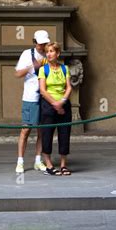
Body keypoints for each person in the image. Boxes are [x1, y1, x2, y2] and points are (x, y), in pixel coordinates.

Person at [14, 30, 50, 174]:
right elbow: (17, 73)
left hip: (45, 97)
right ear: (35, 42)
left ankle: (37, 160)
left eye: (45, 43)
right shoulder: (27, 54)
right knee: (26, 130)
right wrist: (32, 67)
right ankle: (20, 162)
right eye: (41, 44)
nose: (43, 46)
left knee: (42, 130)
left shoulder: (50, 53)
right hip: (30, 97)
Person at [38, 41, 73, 176]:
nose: (49, 54)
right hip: (48, 105)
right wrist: (55, 103)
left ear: (58, 53)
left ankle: (64, 164)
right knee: (47, 134)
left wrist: (62, 101)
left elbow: (69, 87)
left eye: (51, 51)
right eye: (47, 52)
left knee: (64, 134)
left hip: (64, 104)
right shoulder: (43, 69)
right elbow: (42, 90)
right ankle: (49, 164)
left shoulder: (65, 68)